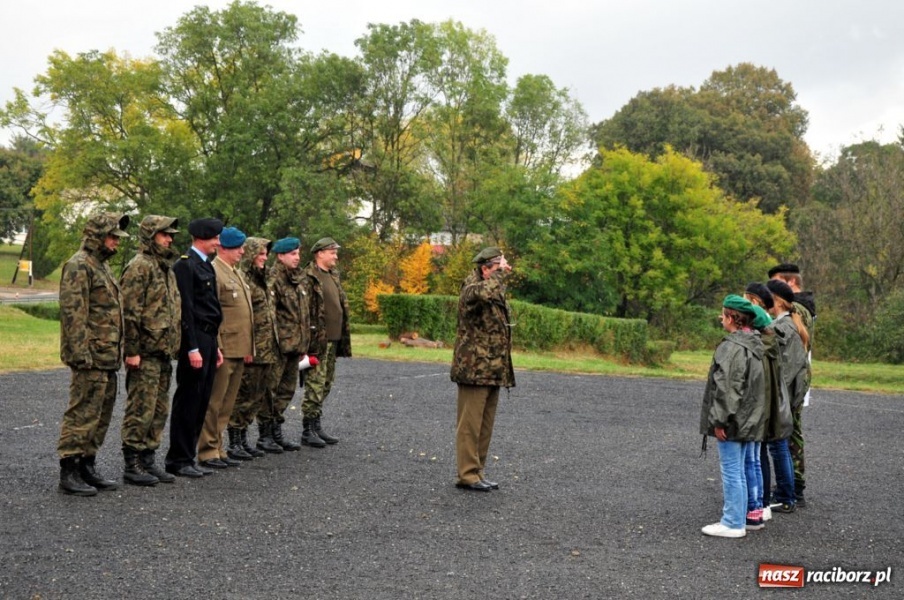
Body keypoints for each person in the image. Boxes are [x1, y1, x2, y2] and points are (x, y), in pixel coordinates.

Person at [56, 212, 130, 496]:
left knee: (100, 415)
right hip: (90, 357)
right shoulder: (79, 265)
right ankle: (69, 470)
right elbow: (73, 314)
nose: (116, 243)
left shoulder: (102, 266)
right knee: (82, 412)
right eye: (112, 237)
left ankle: (87, 464)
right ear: (97, 236)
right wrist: (80, 355)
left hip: (107, 356)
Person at [119, 215, 182, 486]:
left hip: (162, 352)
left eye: (171, 235)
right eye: (164, 234)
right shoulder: (139, 267)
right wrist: (132, 350)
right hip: (144, 353)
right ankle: (132, 463)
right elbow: (130, 313)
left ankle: (148, 458)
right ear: (149, 235)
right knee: (140, 409)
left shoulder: (165, 267)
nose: (169, 239)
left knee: (158, 409)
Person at [699, 295, 766, 538]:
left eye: (723, 314)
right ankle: (739, 518)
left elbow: (728, 388)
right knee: (739, 470)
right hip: (749, 418)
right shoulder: (754, 344)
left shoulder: (732, 347)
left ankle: (732, 522)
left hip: (734, 420)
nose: (721, 319)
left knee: (731, 471)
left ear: (731, 318)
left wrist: (720, 421)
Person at [450, 247, 515, 492]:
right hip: (473, 369)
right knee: (470, 425)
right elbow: (481, 293)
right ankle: (467, 474)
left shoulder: (492, 288)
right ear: (486, 268)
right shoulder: (471, 288)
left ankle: (477, 471)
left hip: (492, 369)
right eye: (498, 267)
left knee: (485, 425)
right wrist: (499, 275)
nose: (502, 272)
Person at [165, 217, 224, 478]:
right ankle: (178, 459)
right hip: (196, 339)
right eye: (215, 238)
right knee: (189, 400)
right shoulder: (185, 265)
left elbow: (212, 308)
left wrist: (215, 345)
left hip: (208, 338)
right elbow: (186, 310)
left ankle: (189, 456)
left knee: (201, 400)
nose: (217, 243)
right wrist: (191, 348)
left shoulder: (206, 265)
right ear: (201, 238)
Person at [198, 226, 254, 470]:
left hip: (239, 347)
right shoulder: (214, 271)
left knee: (227, 403)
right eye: (238, 247)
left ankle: (219, 447)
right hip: (225, 348)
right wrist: (217, 346)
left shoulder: (235, 273)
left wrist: (250, 347)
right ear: (224, 248)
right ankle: (207, 450)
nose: (242, 251)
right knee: (214, 402)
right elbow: (213, 314)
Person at [743, 283, 795, 523]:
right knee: (770, 449)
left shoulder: (770, 330)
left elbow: (785, 368)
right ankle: (774, 498)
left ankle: (767, 500)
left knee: (765, 450)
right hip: (776, 398)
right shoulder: (776, 327)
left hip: (771, 399)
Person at [227, 237, 278, 460]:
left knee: (257, 396)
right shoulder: (244, 279)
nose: (265, 258)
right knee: (244, 394)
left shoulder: (263, 280)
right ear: (250, 255)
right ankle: (234, 440)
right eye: (261, 254)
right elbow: (242, 317)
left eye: (266, 254)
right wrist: (248, 346)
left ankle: (244, 438)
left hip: (267, 348)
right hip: (252, 348)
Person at [768, 263, 815, 506]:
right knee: (789, 432)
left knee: (789, 433)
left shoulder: (798, 310)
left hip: (793, 379)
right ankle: (791, 485)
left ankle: (794, 486)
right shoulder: (800, 307)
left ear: (791, 282)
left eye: (777, 282)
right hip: (796, 377)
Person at [259, 236, 309, 452]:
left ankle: (276, 430)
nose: (297, 257)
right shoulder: (274, 279)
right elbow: (270, 315)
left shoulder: (297, 279)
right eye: (292, 254)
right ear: (280, 256)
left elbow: (302, 315)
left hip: (294, 345)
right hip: (278, 346)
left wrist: (303, 344)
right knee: (270, 390)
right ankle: (265, 435)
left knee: (287, 390)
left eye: (298, 253)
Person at [301, 237, 351, 448]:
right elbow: (303, 311)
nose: (336, 256)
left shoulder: (333, 275)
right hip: (317, 341)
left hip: (334, 339)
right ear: (319, 253)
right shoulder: (308, 276)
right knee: (315, 383)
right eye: (332, 252)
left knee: (327, 382)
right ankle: (307, 429)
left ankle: (316, 424)